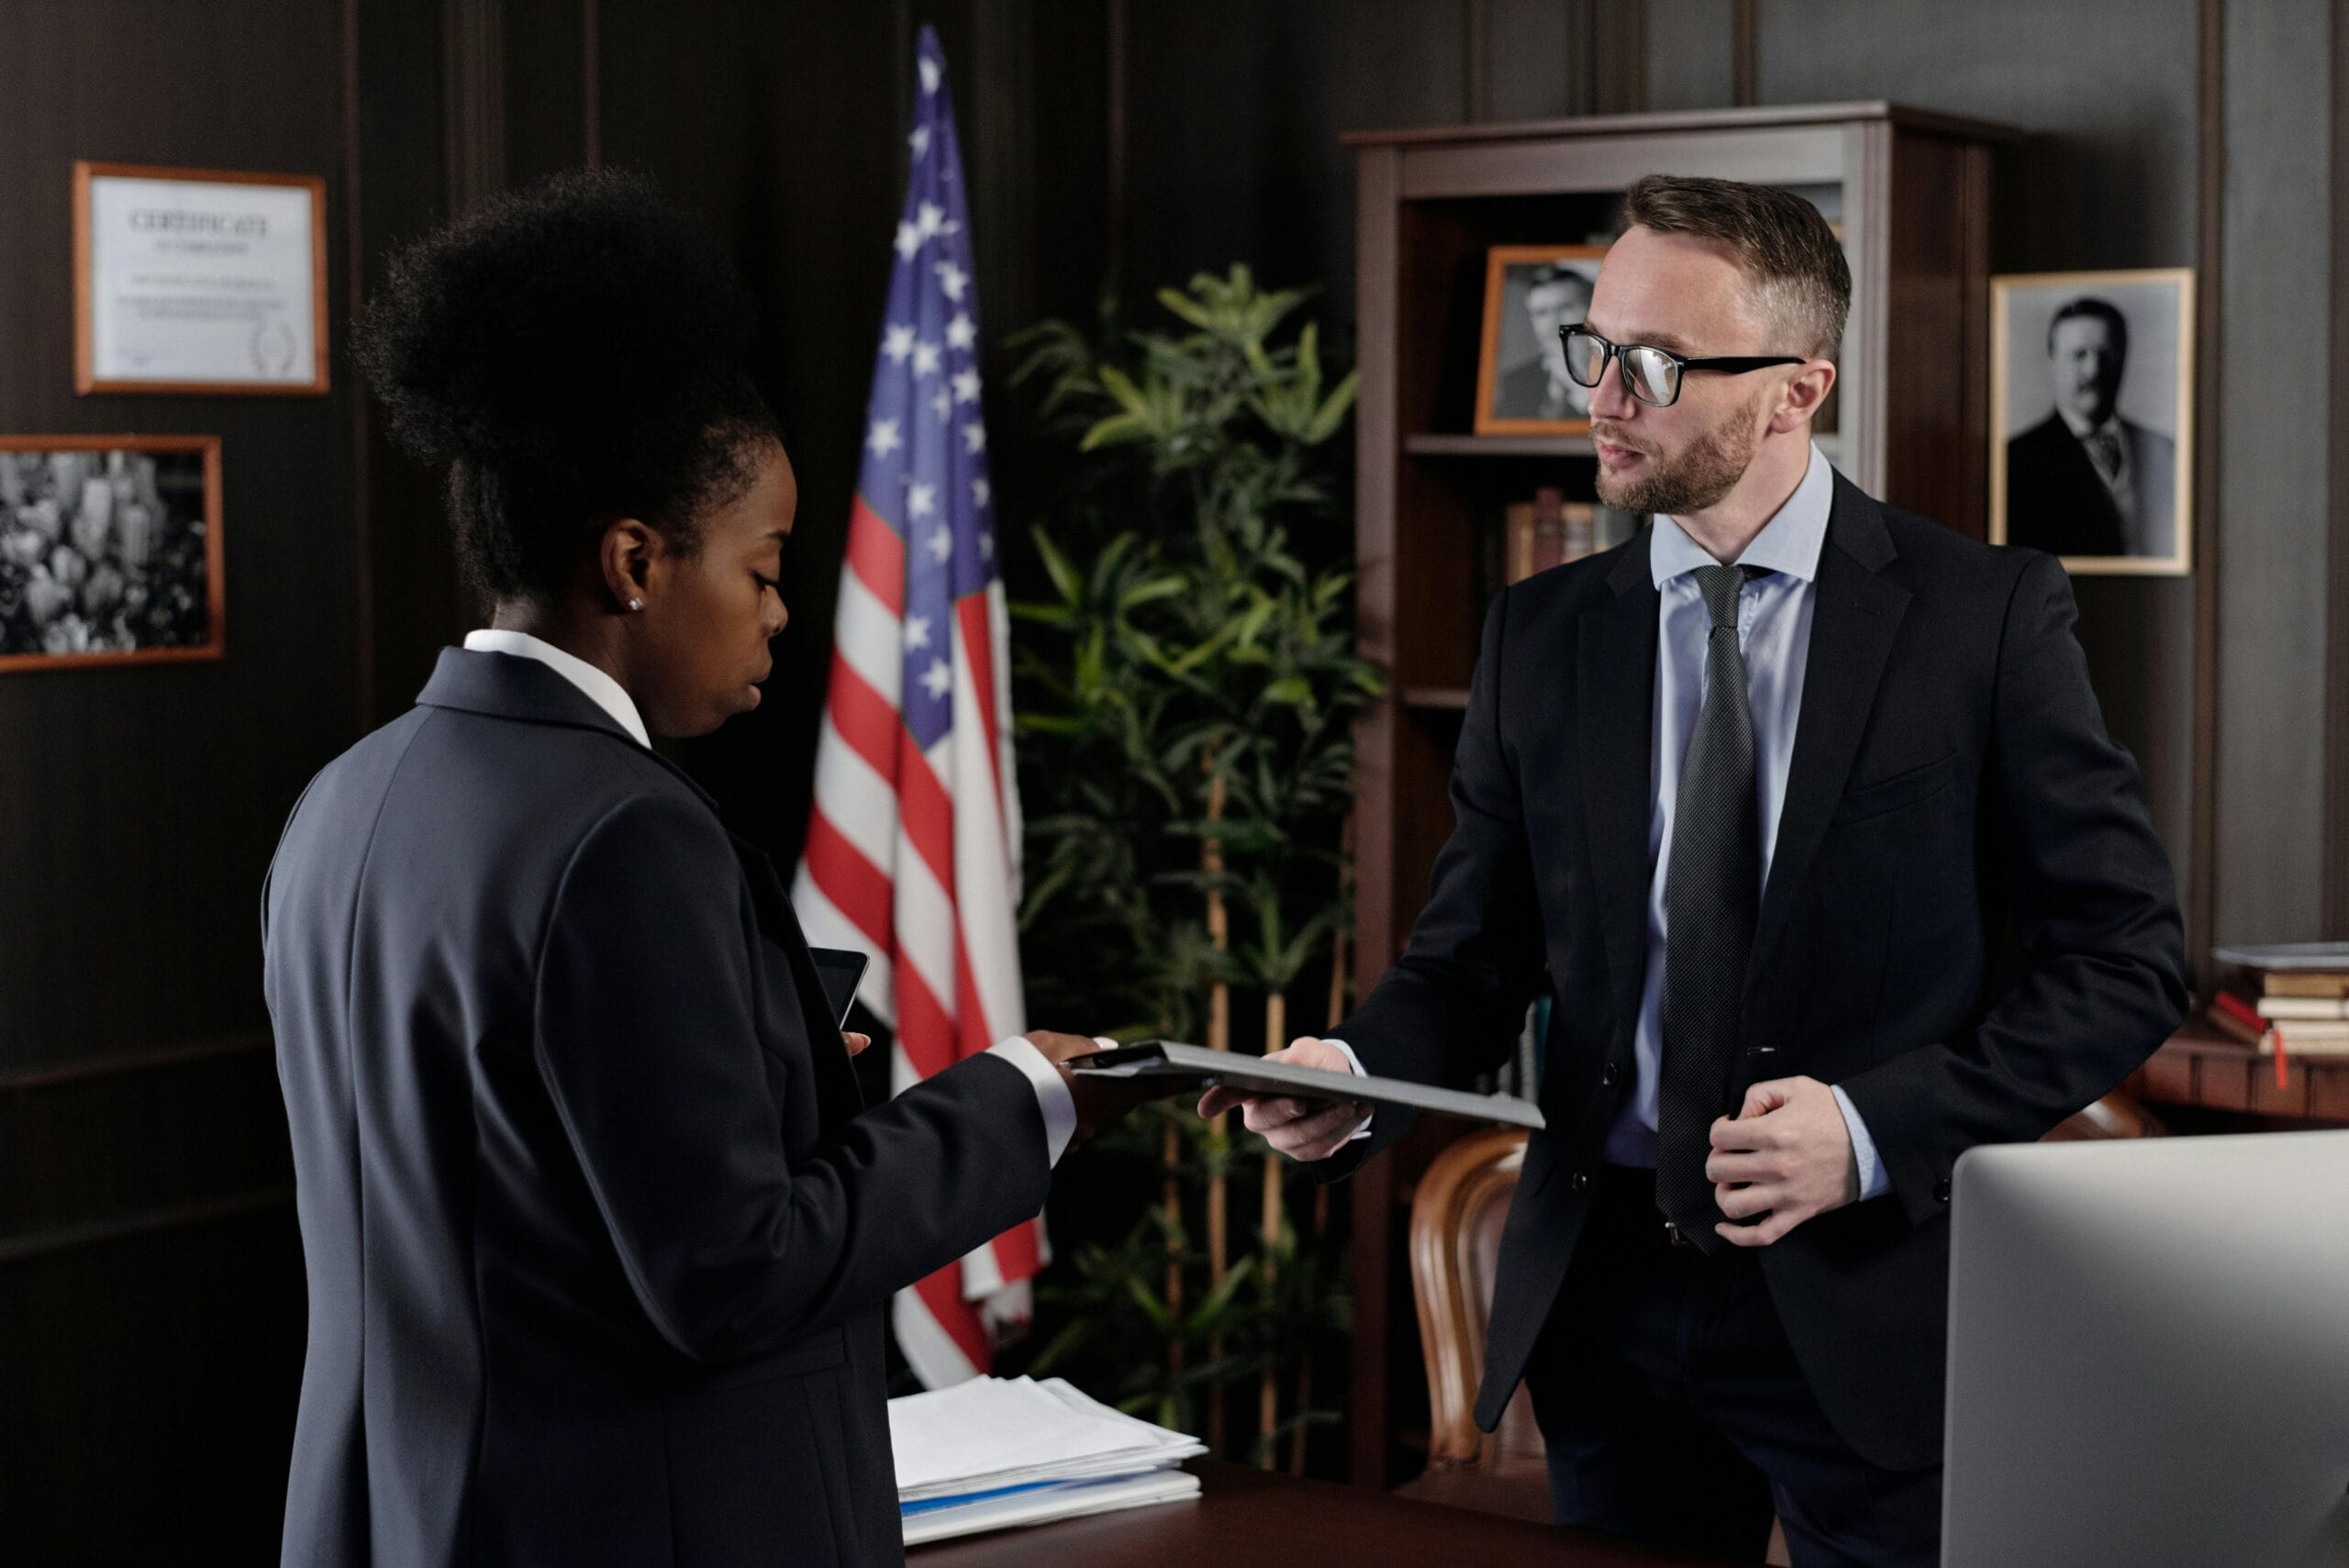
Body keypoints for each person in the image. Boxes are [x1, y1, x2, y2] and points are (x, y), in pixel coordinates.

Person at [1204, 175, 2187, 1565]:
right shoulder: (1539, 636)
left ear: (1796, 389)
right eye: (1592, 350)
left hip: (1872, 1304)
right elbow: (1472, 957)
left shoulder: (1984, 618)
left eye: (1656, 365)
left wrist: (1864, 1129)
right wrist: (1354, 1079)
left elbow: (2130, 958)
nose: (1603, 395)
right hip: (1608, 1308)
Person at [263, 171, 1149, 1567]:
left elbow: (523, 1176)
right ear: (634, 561)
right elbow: (732, 1273)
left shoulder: (340, 799)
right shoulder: (628, 833)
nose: (783, 616)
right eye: (766, 567)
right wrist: (1023, 1099)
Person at [2003, 296, 2176, 558]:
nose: (2093, 370)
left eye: (2105, 354)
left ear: (2123, 357)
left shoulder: (2165, 450)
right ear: (2053, 360)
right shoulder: (2016, 460)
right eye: (2079, 354)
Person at [1495, 262, 1596, 421]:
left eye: (1565, 308)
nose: (1552, 323)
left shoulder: (1623, 371)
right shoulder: (1515, 382)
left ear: (1591, 308)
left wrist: (1581, 392)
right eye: (1541, 313)